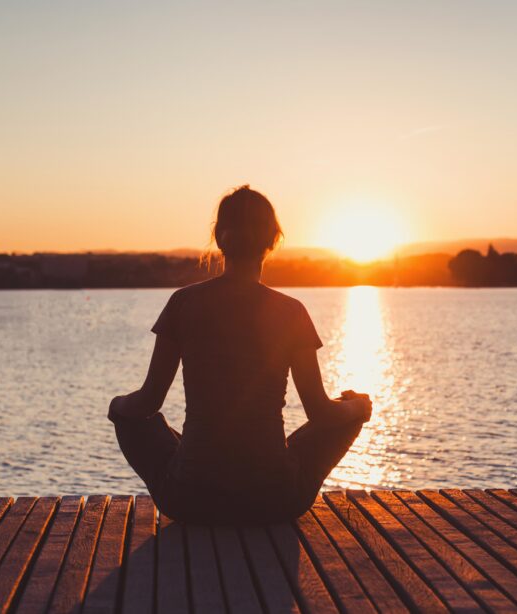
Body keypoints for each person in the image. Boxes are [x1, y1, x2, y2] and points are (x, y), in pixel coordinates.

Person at [108, 185, 372, 524]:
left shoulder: (184, 303)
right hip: (274, 499)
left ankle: (196, 466)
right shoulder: (291, 312)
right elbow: (320, 412)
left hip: (189, 498)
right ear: (273, 241)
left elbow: (147, 404)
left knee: (133, 420)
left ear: (219, 238)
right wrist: (358, 407)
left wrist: (116, 406)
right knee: (346, 415)